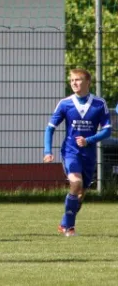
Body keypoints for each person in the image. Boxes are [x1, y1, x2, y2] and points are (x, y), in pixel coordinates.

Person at [43, 68, 112, 236]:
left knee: (80, 194)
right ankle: (69, 228)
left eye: (78, 79)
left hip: (88, 155)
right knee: (76, 183)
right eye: (72, 80)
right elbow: (50, 128)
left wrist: (89, 140)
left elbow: (107, 130)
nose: (74, 83)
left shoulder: (99, 104)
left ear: (88, 82)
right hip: (70, 152)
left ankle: (64, 223)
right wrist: (47, 150)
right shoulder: (65, 103)